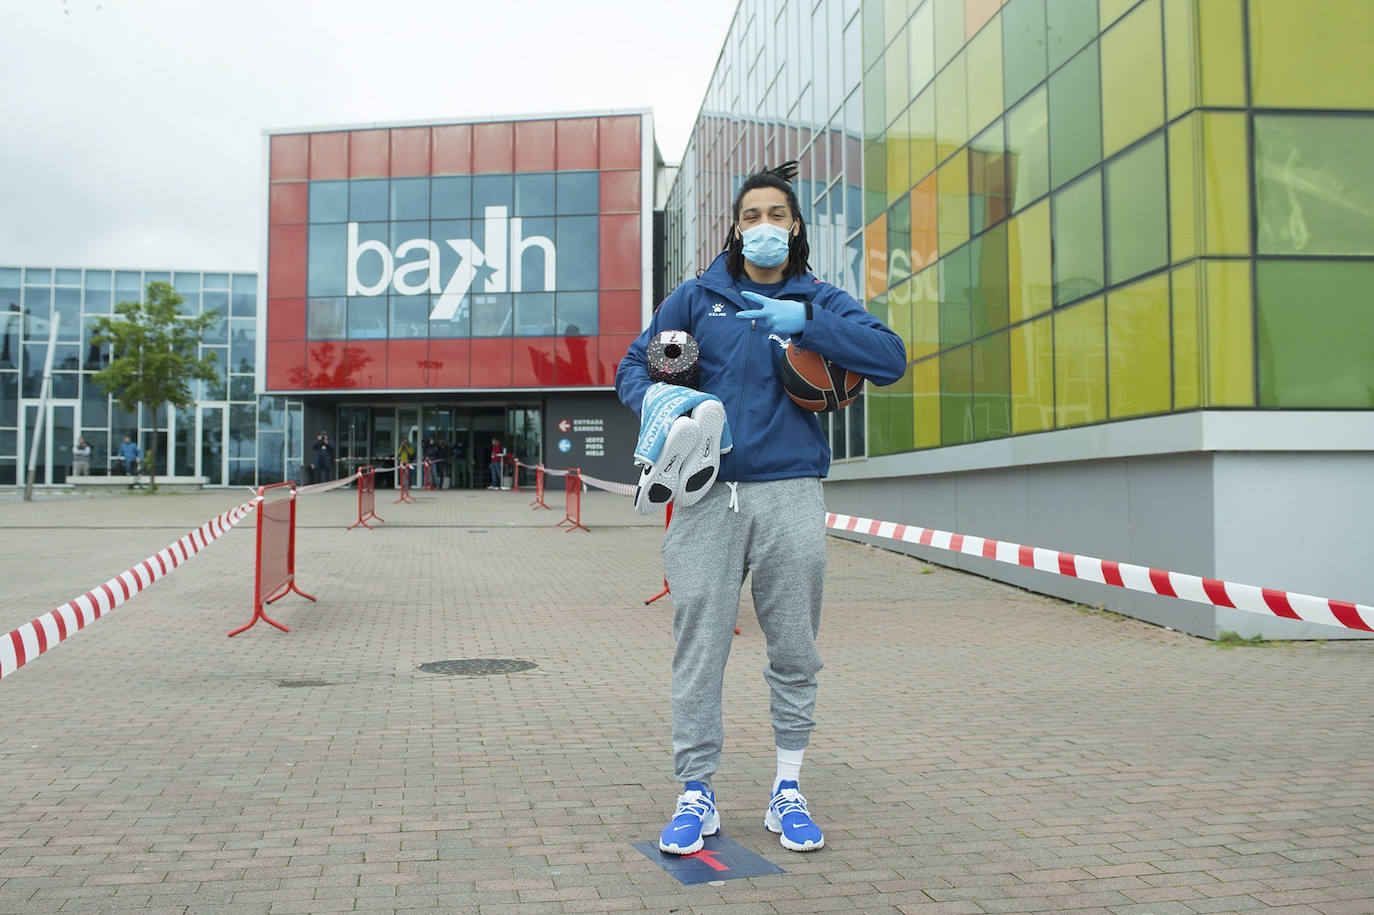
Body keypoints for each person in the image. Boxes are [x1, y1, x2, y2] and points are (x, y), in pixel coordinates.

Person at [615, 161, 907, 855]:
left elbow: (890, 357)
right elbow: (635, 365)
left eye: (777, 215)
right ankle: (696, 792)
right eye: (752, 216)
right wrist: (663, 399)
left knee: (796, 648)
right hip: (704, 495)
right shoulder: (696, 297)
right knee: (699, 645)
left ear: (796, 226)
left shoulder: (821, 298)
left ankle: (787, 788)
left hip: (790, 493)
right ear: (736, 228)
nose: (764, 227)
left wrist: (806, 322)